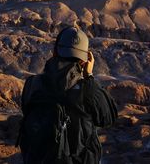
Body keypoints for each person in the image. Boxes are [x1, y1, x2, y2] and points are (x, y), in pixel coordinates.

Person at [18, 27, 118, 164]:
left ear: (54, 52)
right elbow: (108, 118)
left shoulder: (32, 84)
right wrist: (89, 76)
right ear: (84, 60)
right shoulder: (87, 90)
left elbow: (26, 112)